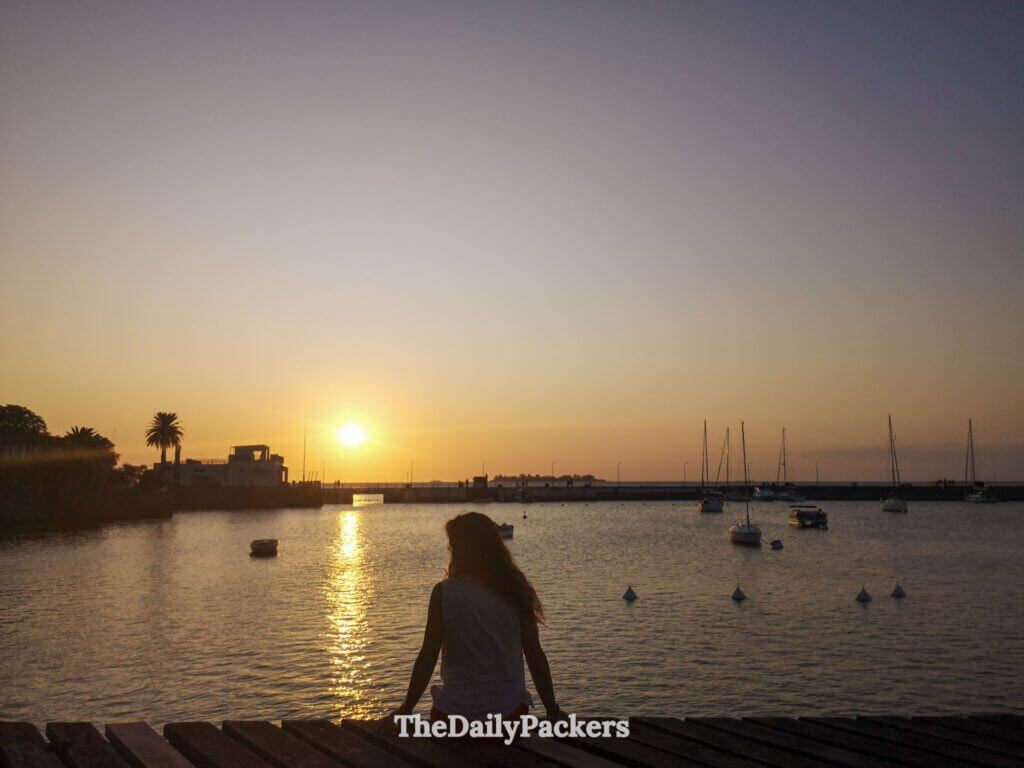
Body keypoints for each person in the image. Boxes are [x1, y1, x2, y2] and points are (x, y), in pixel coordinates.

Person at [386, 511, 566, 723]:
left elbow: (428, 655)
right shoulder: (516, 590)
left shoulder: (443, 592)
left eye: (452, 545)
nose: (449, 550)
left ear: (459, 550)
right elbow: (535, 656)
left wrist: (406, 708)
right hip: (507, 719)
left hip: (452, 719)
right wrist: (552, 710)